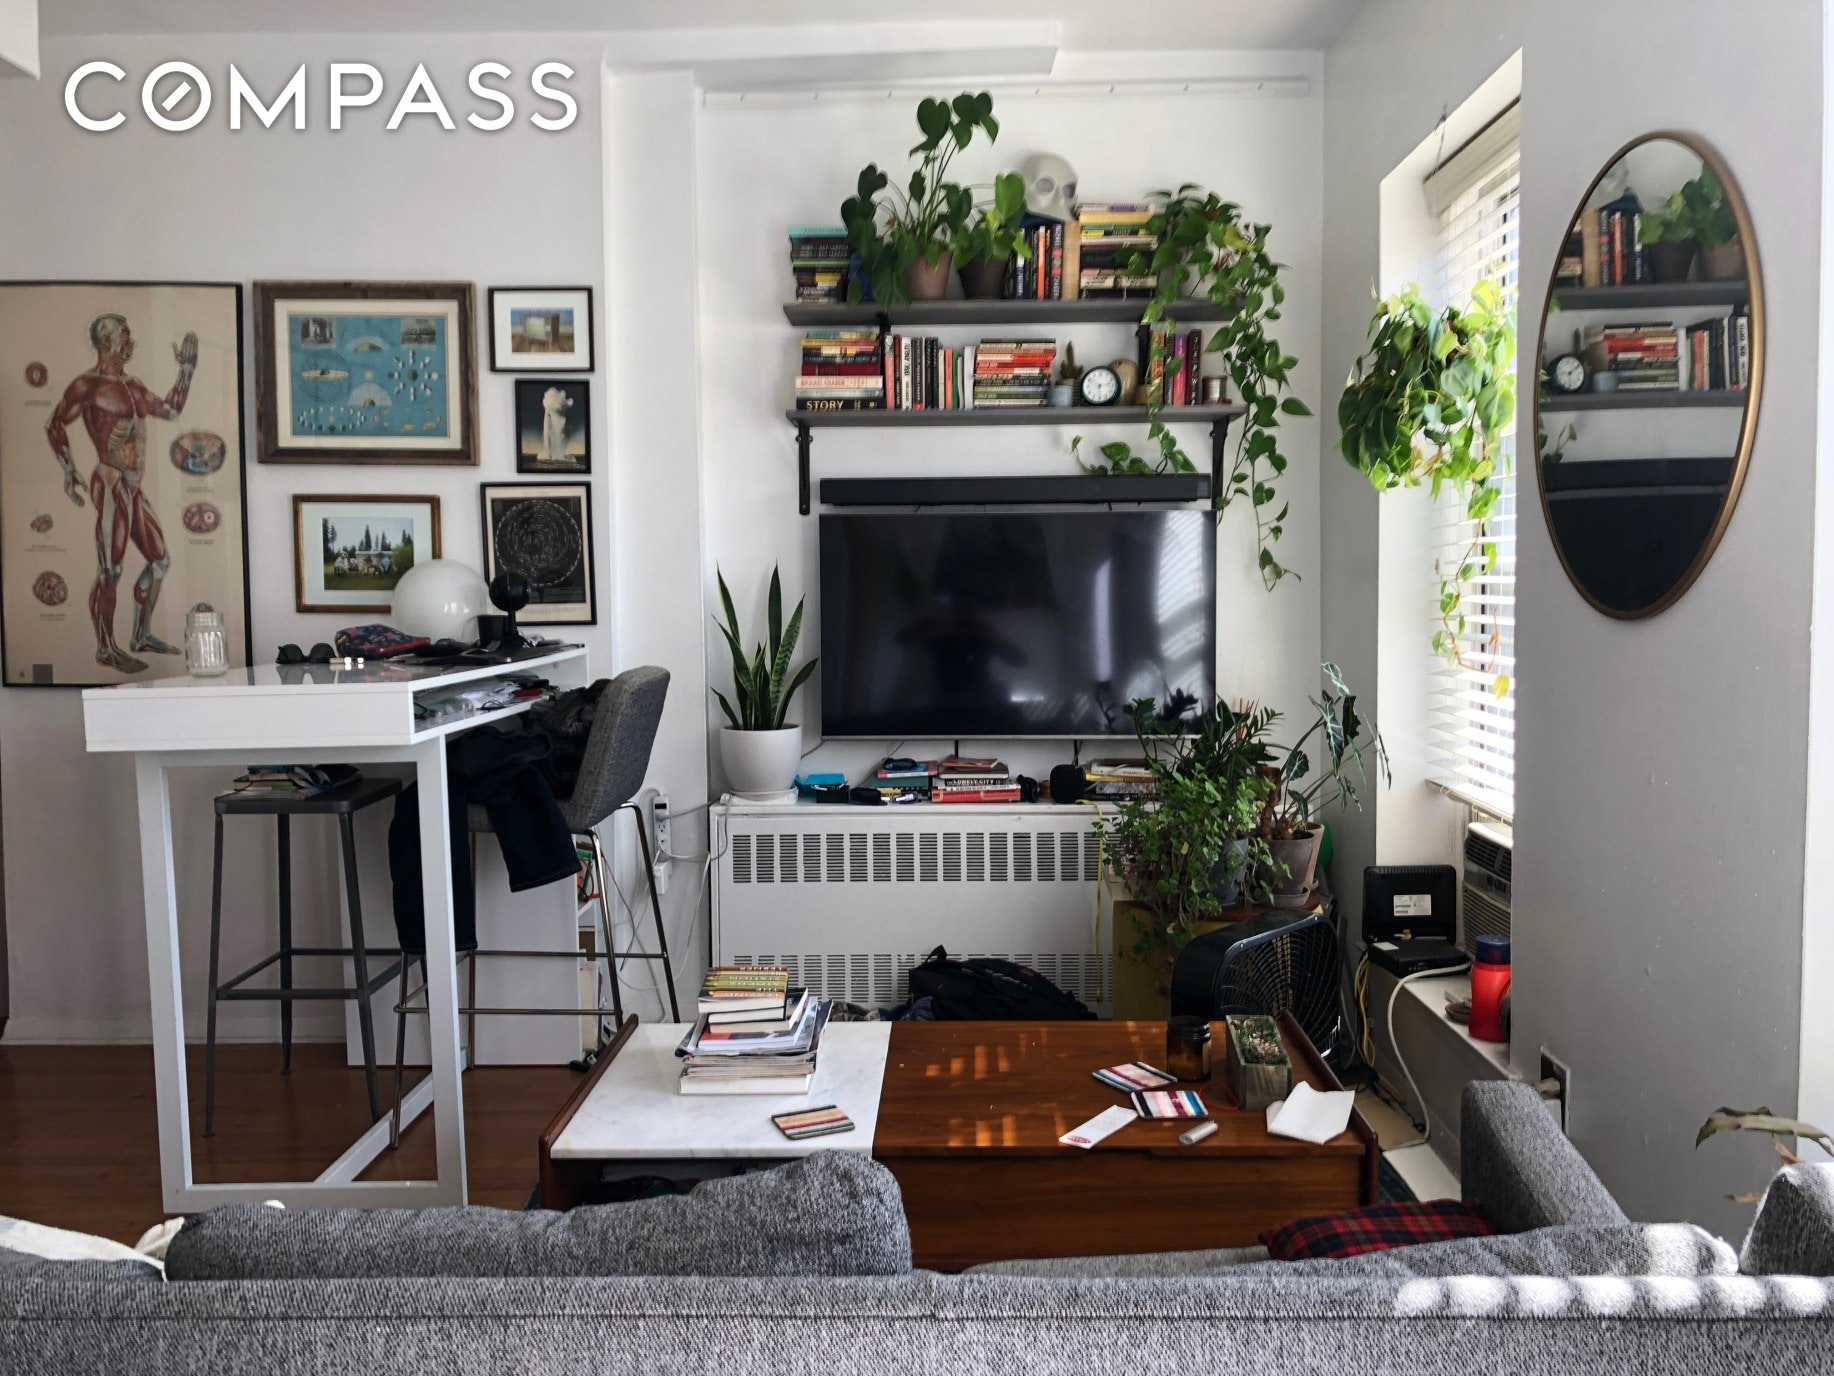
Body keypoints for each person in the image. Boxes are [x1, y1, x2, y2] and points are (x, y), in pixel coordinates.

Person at [44, 313, 197, 674]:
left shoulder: (134, 385)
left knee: (160, 562)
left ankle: (140, 635)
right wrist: (68, 470)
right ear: (106, 340)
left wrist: (186, 370)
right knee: (110, 570)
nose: (130, 342)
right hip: (111, 482)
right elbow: (55, 424)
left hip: (133, 486)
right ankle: (105, 647)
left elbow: (171, 410)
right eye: (124, 335)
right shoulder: (87, 386)